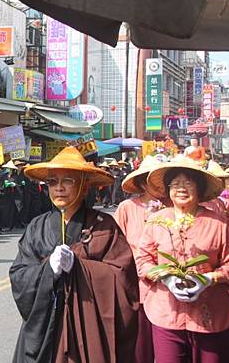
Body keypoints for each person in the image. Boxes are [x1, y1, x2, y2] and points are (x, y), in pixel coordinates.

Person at [10, 147, 138, 363]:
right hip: (46, 323)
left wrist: (80, 267)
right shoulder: (37, 227)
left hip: (89, 325)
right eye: (52, 182)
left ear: (84, 185)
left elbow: (124, 279)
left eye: (68, 180)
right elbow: (19, 274)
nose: (59, 188)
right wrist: (47, 268)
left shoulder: (104, 226)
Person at [136, 155, 229, 363]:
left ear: (200, 188)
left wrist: (210, 278)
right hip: (166, 312)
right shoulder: (157, 221)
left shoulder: (217, 223)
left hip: (209, 314)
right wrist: (166, 277)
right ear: (168, 190)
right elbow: (143, 260)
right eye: (175, 184)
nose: (181, 188)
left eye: (188, 183)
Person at [113, 155, 162, 363]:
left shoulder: (172, 208)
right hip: (135, 287)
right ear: (142, 183)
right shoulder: (127, 208)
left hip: (164, 287)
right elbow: (114, 244)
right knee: (140, 346)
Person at [0, 160, 19, 232]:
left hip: (13, 196)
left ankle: (10, 225)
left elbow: (19, 186)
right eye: (8, 168)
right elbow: (0, 186)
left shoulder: (15, 177)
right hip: (5, 195)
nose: (8, 169)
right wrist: (4, 185)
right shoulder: (3, 176)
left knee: (11, 211)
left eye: (10, 168)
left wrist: (14, 185)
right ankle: (5, 225)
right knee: (5, 211)